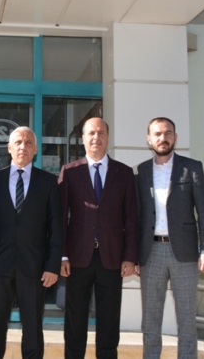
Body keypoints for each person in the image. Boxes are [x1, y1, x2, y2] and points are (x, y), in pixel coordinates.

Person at [0, 127, 63, 359]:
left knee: (33, 327)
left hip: (34, 267)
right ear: (9, 148)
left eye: (28, 143)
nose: (23, 147)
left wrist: (53, 265)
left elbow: (56, 227)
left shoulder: (48, 182)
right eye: (18, 142)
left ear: (35, 149)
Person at [134, 117, 204, 359]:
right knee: (150, 321)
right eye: (157, 134)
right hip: (150, 253)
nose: (163, 138)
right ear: (149, 139)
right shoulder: (140, 171)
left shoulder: (192, 168)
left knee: (187, 321)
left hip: (185, 253)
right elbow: (136, 216)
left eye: (168, 133)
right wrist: (134, 254)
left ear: (175, 137)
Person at [59, 117, 138, 359]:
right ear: (83, 138)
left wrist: (130, 257)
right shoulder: (69, 172)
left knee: (109, 322)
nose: (96, 137)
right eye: (91, 133)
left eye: (101, 133)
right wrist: (62, 255)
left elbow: (131, 218)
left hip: (112, 259)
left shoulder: (124, 173)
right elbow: (60, 218)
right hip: (77, 258)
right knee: (75, 321)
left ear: (108, 137)